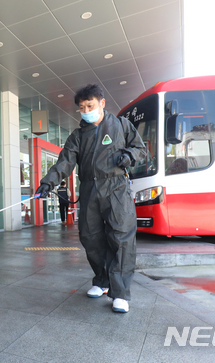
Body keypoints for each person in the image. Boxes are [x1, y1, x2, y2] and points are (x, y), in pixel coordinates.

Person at [35, 84, 145, 313]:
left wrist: (128, 155)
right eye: (82, 108)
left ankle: (121, 293)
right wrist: (48, 182)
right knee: (90, 237)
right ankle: (102, 281)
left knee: (121, 238)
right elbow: (65, 162)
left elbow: (140, 149)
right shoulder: (78, 135)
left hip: (116, 188)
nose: (86, 111)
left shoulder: (122, 125)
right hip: (89, 189)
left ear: (102, 103)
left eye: (90, 106)